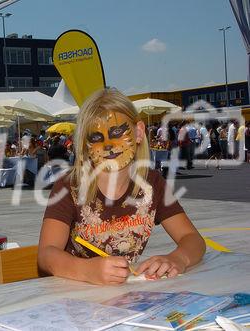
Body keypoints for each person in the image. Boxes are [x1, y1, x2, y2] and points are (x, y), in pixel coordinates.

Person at [38, 88, 205, 285]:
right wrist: (86, 270)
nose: (108, 145)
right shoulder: (69, 187)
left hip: (129, 296)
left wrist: (178, 259)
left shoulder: (152, 184)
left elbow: (192, 238)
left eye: (117, 132)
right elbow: (46, 254)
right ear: (85, 145)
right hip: (77, 296)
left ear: (138, 132)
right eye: (96, 138)